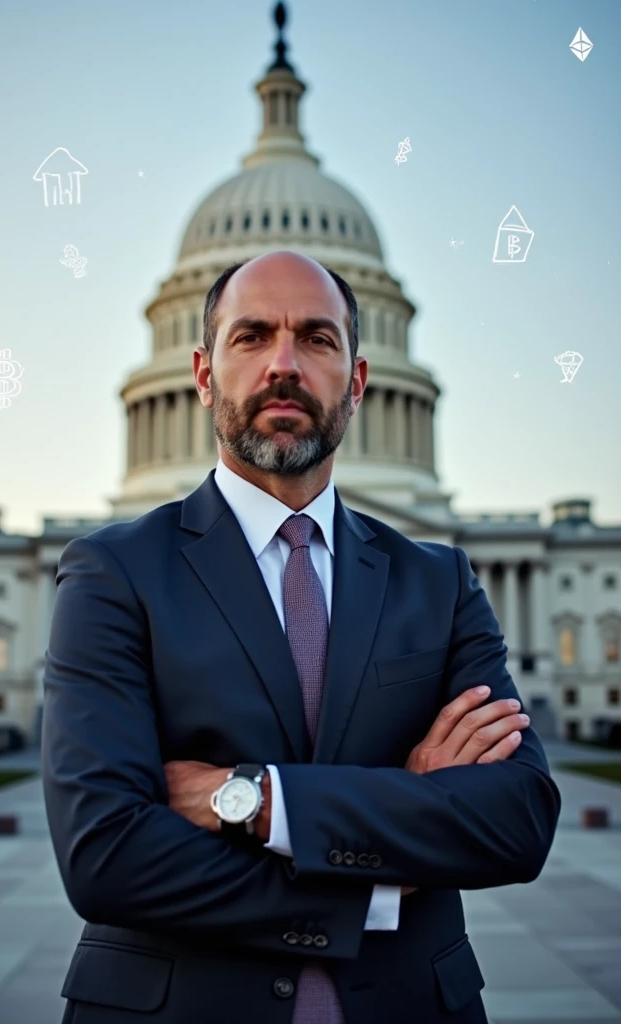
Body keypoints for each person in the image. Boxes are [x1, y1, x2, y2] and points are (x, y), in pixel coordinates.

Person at [42, 251, 561, 1024]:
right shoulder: (113, 571)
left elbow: (515, 820)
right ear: (203, 373)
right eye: (251, 336)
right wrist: (397, 840)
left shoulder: (438, 579)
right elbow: (106, 857)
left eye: (316, 339)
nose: (283, 364)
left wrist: (252, 801)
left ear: (357, 381)